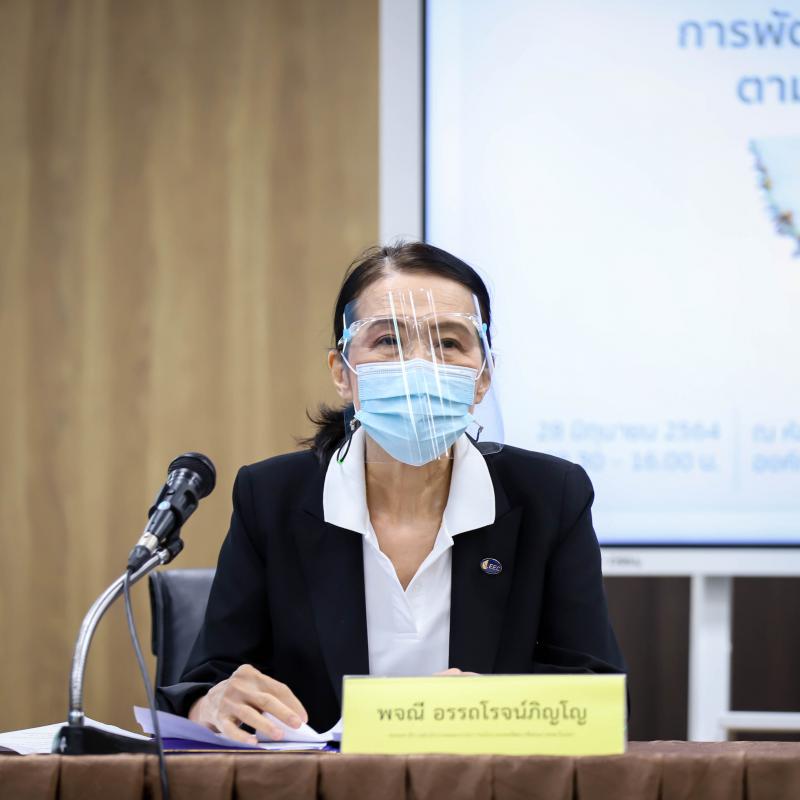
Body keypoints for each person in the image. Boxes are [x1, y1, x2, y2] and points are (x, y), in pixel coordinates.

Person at [157, 241, 625, 743]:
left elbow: (598, 697)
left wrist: (491, 708)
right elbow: (207, 681)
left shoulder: (550, 496)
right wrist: (210, 701)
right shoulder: (271, 497)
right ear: (342, 372)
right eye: (388, 341)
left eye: (449, 343)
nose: (418, 366)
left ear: (483, 376)